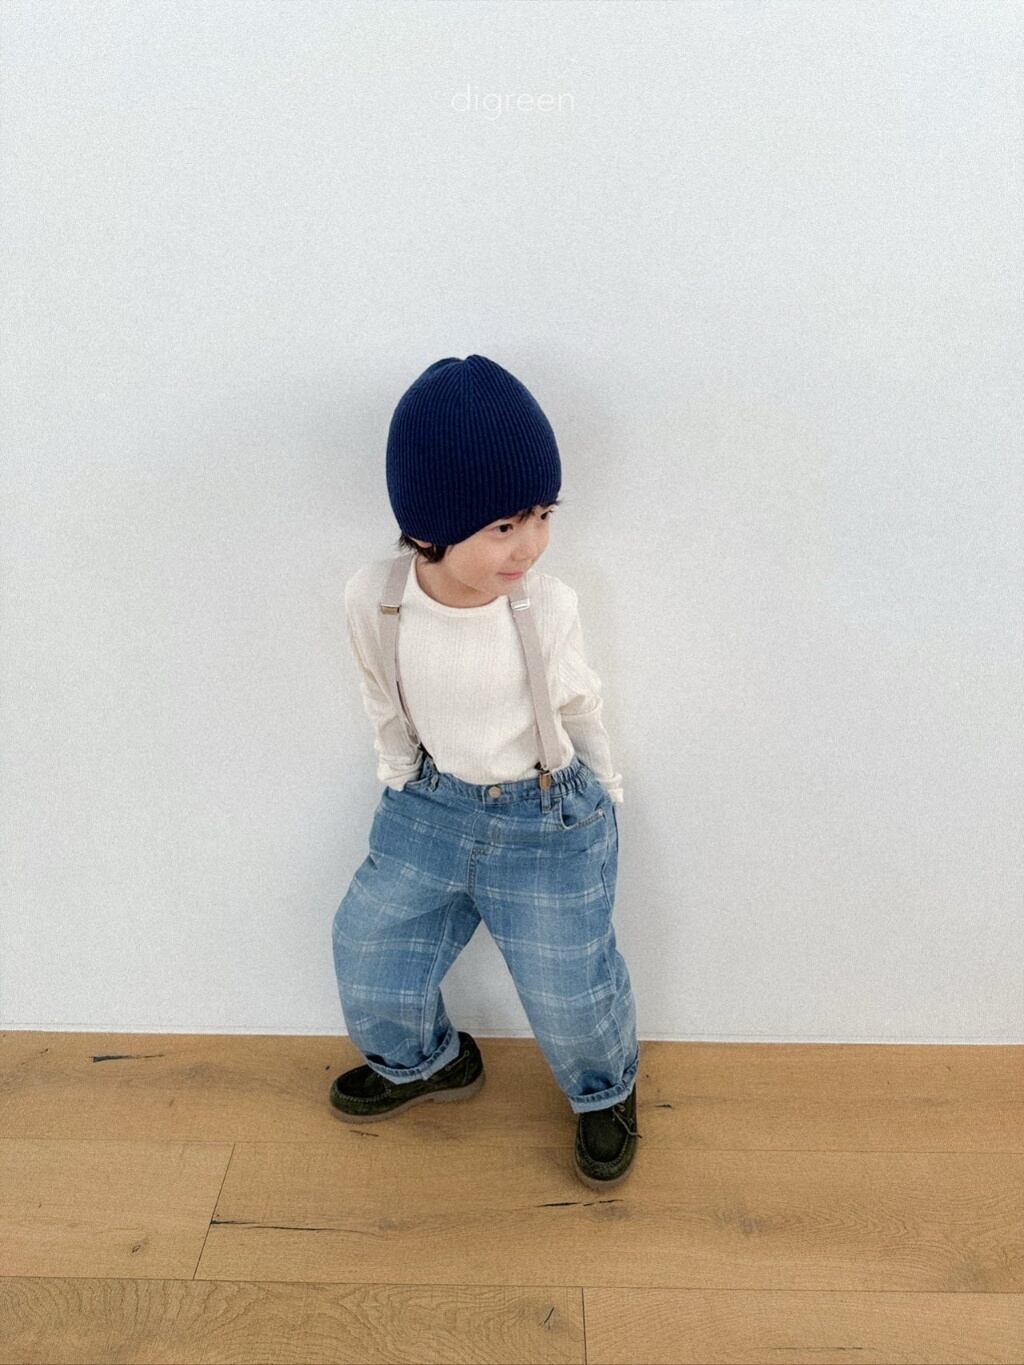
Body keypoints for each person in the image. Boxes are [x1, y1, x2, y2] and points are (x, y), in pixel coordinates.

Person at [329, 354, 642, 1187]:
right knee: (368, 942)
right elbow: (379, 688)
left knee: (569, 984)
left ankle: (604, 1090)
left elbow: (579, 702)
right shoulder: (375, 597)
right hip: (427, 804)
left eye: (542, 515)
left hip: (548, 816)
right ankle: (426, 1061)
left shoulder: (545, 604)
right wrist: (397, 769)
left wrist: (605, 795)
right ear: (430, 525)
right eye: (504, 526)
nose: (530, 544)